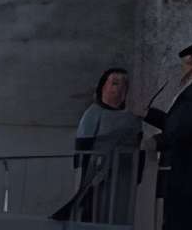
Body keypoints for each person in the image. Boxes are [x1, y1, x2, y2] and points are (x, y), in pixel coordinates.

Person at [143, 44, 192, 230]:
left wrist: (155, 142)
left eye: (186, 64)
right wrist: (148, 114)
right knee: (182, 220)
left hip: (189, 172)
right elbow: (177, 123)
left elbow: (184, 128)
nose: (182, 69)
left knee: (180, 221)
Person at [63, 68, 149, 223]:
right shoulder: (93, 114)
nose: (120, 88)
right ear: (103, 87)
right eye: (115, 83)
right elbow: (82, 152)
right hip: (97, 177)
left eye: (124, 84)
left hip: (124, 177)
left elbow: (138, 146)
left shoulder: (133, 117)